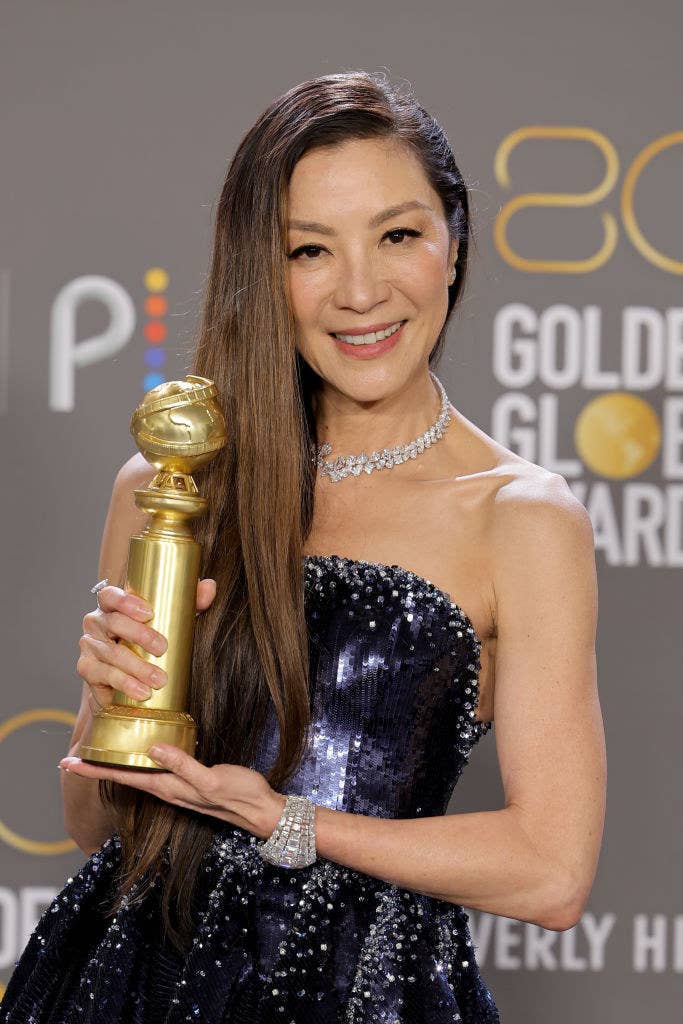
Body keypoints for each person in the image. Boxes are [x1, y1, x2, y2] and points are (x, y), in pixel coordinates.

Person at [0, 70, 606, 1024]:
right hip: (131, 981)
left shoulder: (519, 517)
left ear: (453, 241)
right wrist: (108, 714)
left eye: (397, 234)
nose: (361, 291)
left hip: (362, 992)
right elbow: (93, 826)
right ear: (262, 270)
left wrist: (283, 820)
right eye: (309, 250)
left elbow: (550, 873)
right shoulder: (170, 487)